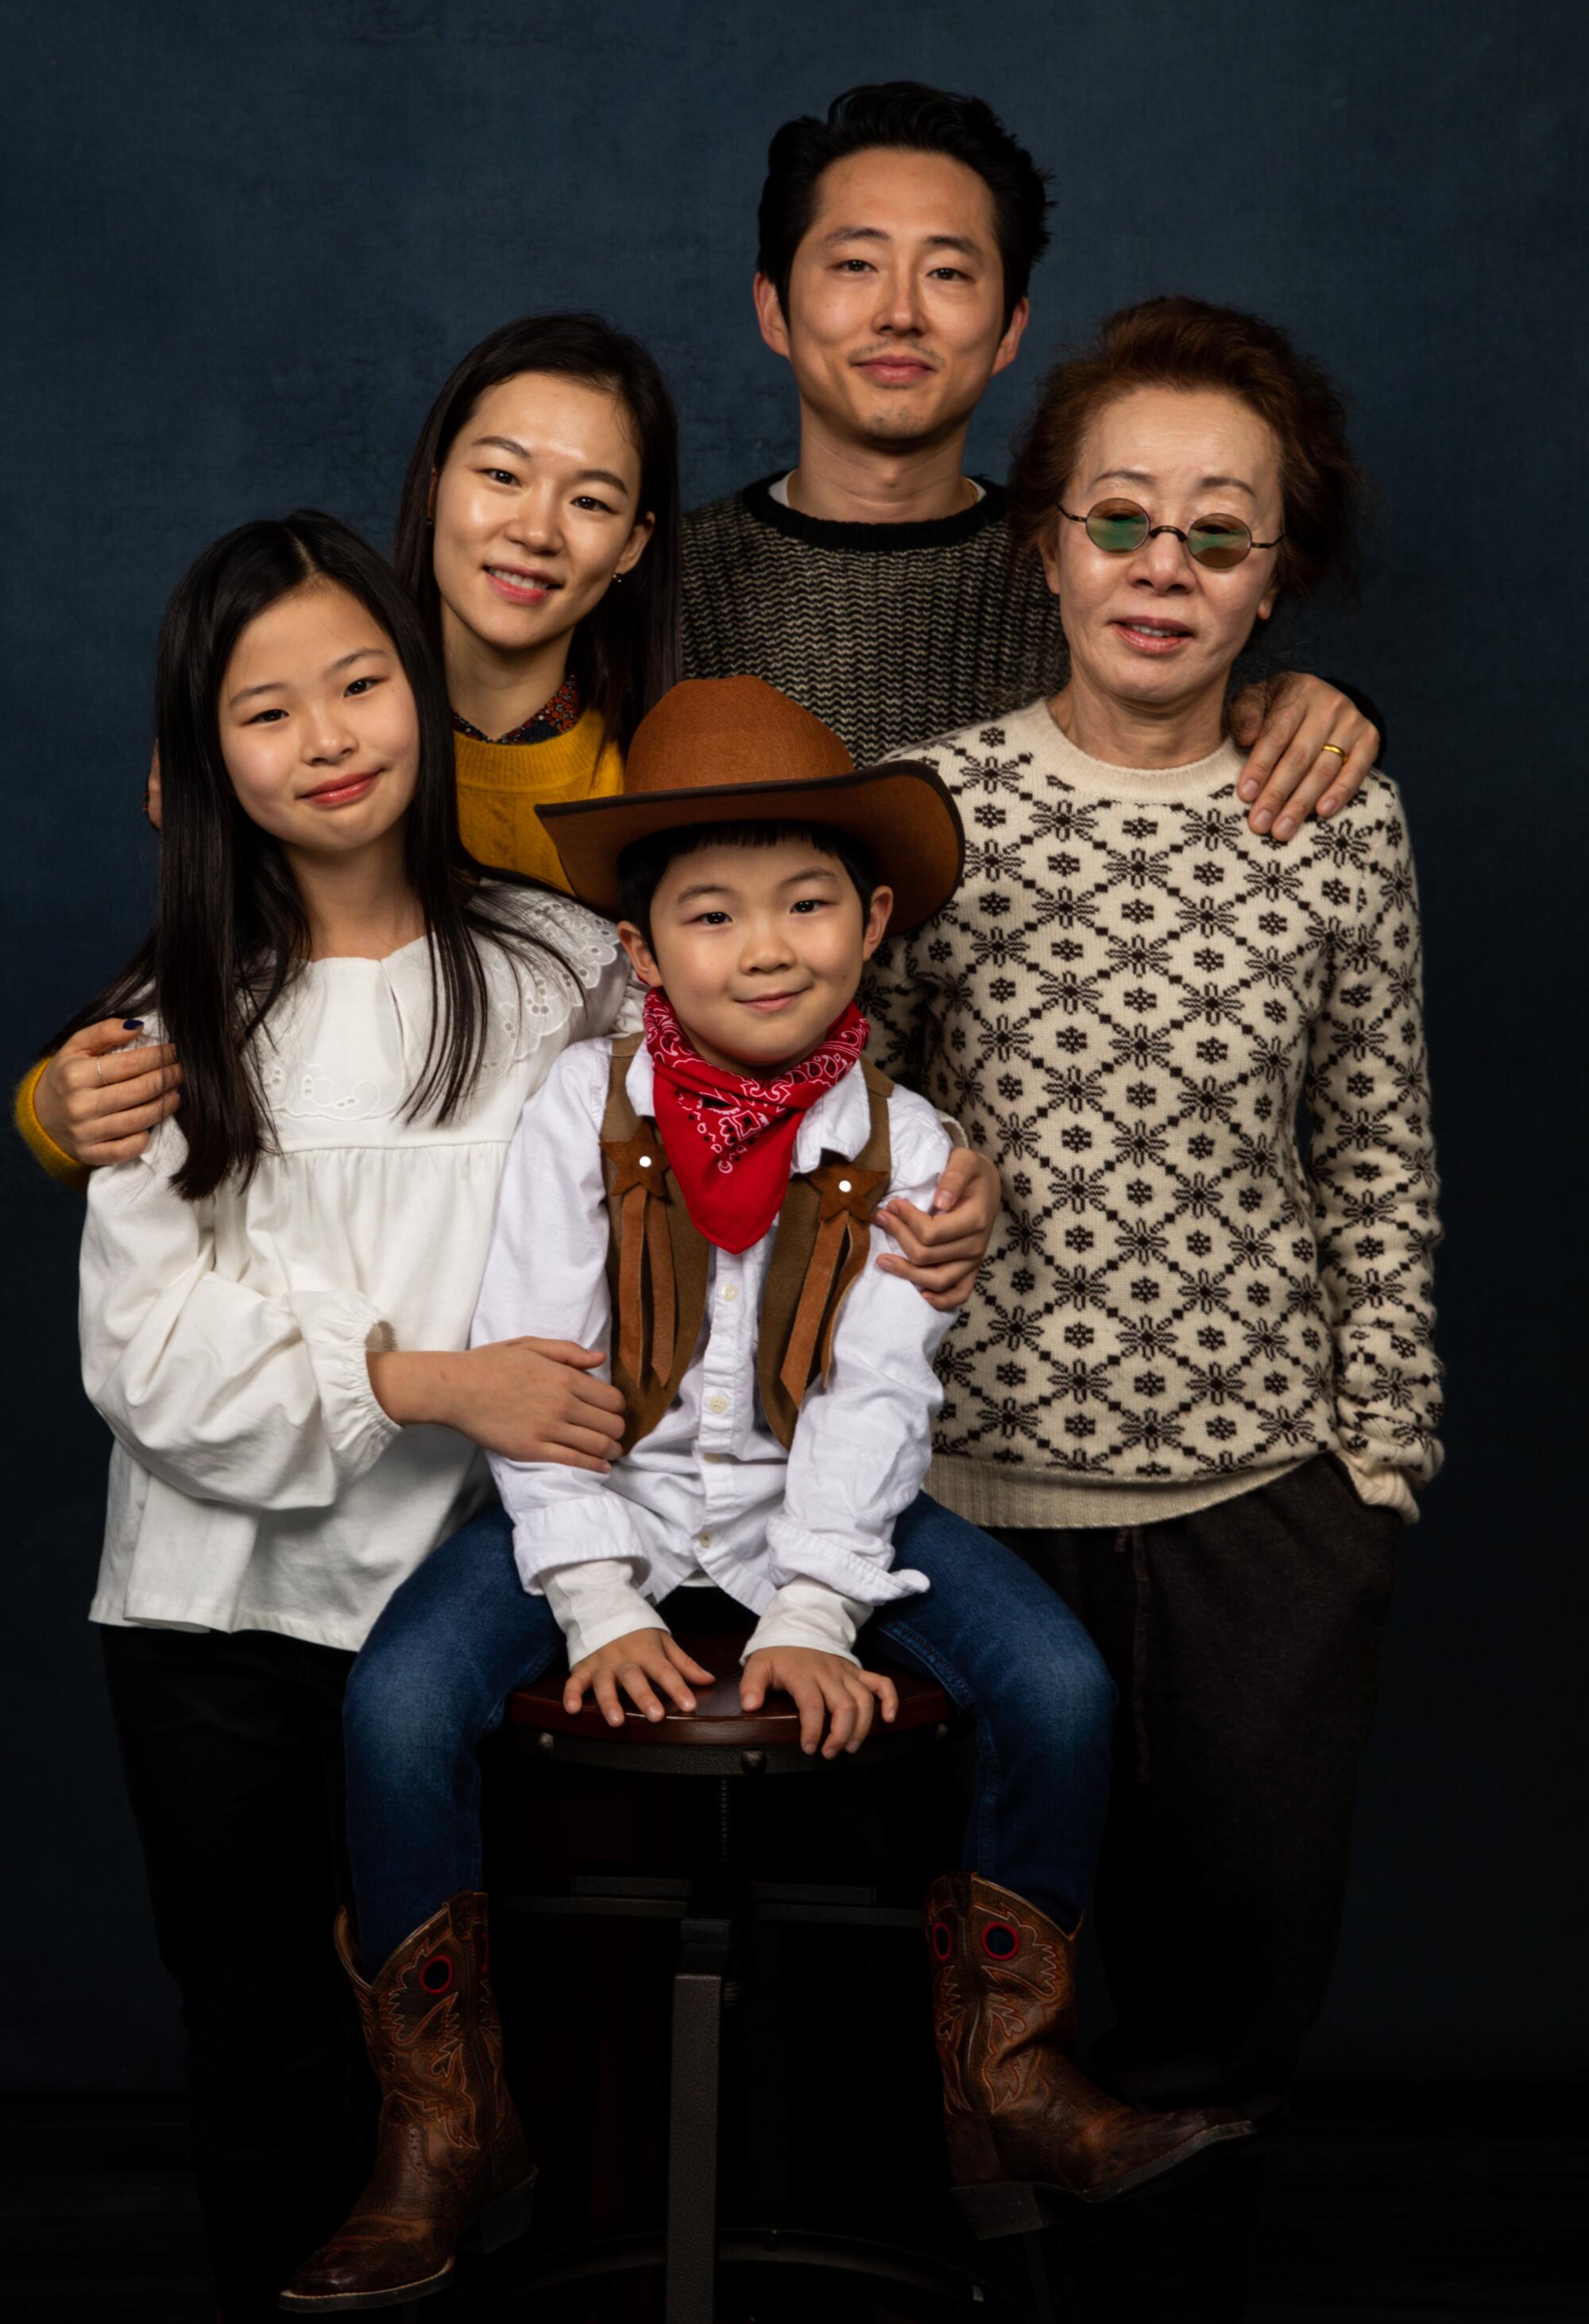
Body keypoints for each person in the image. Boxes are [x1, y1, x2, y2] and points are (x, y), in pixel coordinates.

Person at [283, 674, 1251, 2310]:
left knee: (1059, 1686)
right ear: (643, 953)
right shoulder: (571, 1116)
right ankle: (444, 2130)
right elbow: (539, 1374)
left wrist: (814, 1609)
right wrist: (590, 1601)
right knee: (394, 1708)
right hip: (602, 1498)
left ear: (872, 923)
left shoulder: (912, 1145)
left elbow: (878, 1395)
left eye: (808, 903)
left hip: (825, 1508)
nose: (768, 945)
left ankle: (1002, 2083)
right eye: (713, 914)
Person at [863, 298, 1443, 2153]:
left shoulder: (1336, 817)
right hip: (954, 1502)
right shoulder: (927, 809)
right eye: (1119, 518)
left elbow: (1372, 1151)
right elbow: (822, 1122)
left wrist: (1374, 1468)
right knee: (946, 2004)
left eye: (1216, 532)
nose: (1160, 567)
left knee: (1218, 2012)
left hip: (1254, 1510)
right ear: (1043, 537)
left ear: (1271, 581)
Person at [71, 511, 642, 2322]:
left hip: (481, 1596)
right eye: (266, 710)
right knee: (263, 2037)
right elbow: (148, 1355)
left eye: (361, 681)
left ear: (423, 692)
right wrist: (417, 1374)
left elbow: (675, 1218)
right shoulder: (167, 1023)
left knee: (482, 2042)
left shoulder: (563, 973)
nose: (326, 737)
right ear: (194, 770)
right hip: (213, 1617)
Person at [24, 309, 1000, 1315]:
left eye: (589, 500)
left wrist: (930, 1162)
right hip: (332, 1316)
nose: (534, 529)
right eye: (500, 474)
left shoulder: (662, 787)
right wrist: (59, 1107)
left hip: (595, 1331)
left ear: (631, 545)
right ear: (435, 479)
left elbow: (780, 1024)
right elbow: (199, 984)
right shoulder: (315, 756)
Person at [682, 79, 1384, 812]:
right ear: (773, 308)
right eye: (856, 264)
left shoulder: (1096, 558)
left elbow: (1200, 727)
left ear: (1011, 329)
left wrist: (1319, 712)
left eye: (948, 272)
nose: (899, 313)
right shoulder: (668, 581)